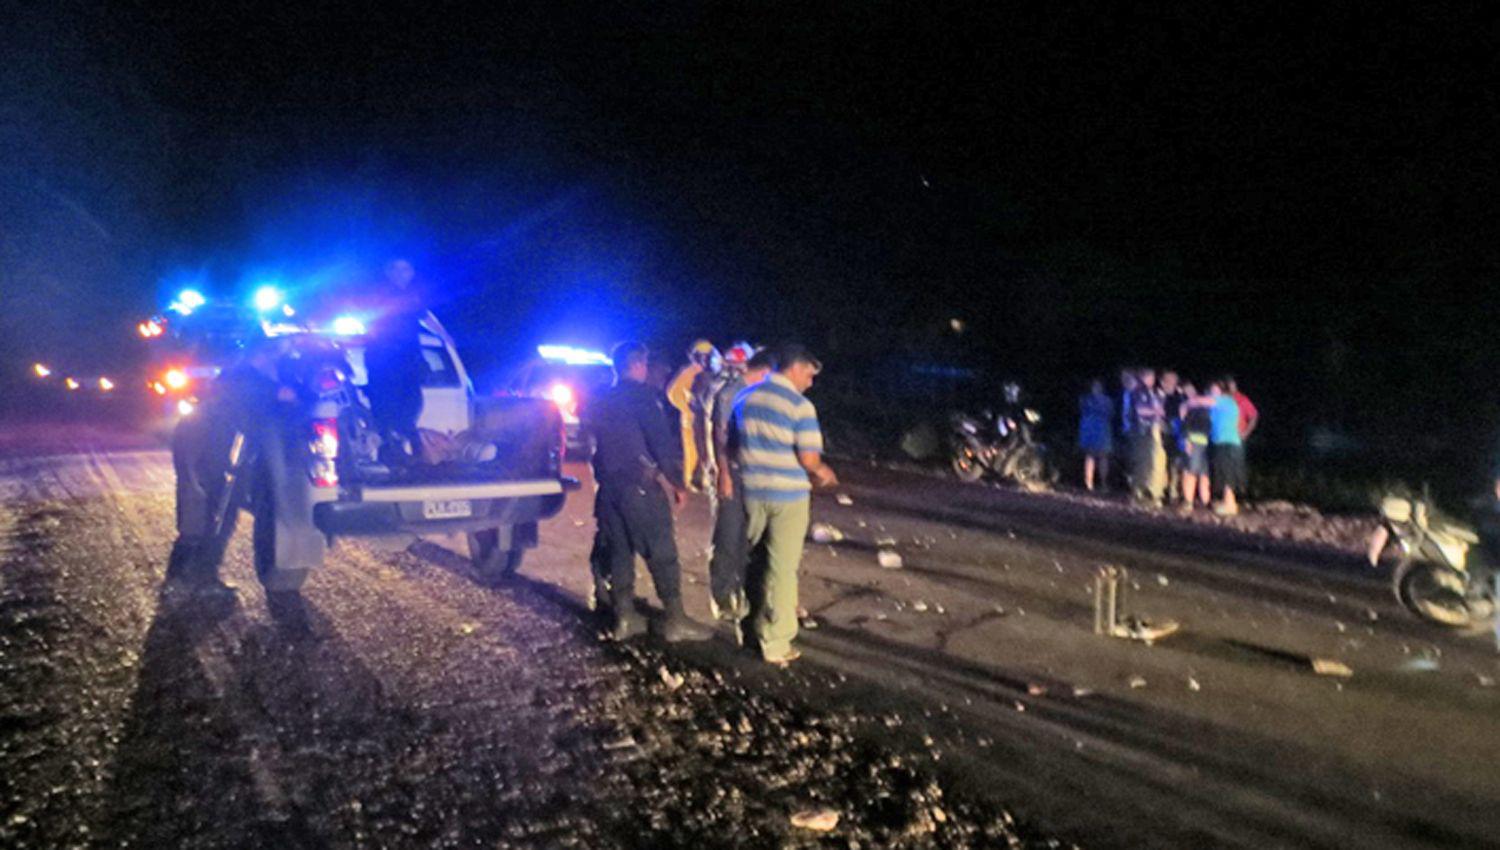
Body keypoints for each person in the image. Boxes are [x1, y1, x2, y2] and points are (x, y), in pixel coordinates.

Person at [582, 342, 711, 642]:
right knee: (661, 551)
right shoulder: (643, 398)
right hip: (638, 488)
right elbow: (662, 447)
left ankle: (625, 618)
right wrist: (678, 484)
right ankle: (675, 619)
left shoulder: (601, 398)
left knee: (620, 553)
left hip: (609, 490)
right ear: (639, 364)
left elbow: (594, 445)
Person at [168, 338, 297, 596]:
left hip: (209, 449)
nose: (276, 365)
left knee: (204, 513)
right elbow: (275, 400)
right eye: (275, 358)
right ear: (262, 357)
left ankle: (178, 579)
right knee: (217, 516)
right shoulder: (251, 381)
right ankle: (200, 580)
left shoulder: (238, 375)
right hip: (217, 453)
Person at [735, 344, 837, 665]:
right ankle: (777, 643)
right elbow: (808, 459)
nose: (811, 381)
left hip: (751, 491)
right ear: (795, 368)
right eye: (809, 374)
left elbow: (729, 445)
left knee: (751, 562)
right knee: (782, 569)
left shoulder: (744, 398)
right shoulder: (800, 406)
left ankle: (747, 630)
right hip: (788, 497)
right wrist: (824, 472)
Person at [707, 344, 773, 629]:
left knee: (751, 538)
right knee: (729, 535)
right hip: (732, 472)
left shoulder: (760, 394)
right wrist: (723, 473)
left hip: (754, 475)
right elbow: (719, 435)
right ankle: (722, 596)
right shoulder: (731, 393)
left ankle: (745, 595)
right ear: (765, 371)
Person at [363, 258, 428, 464]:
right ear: (387, 271)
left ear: (412, 272)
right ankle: (390, 447)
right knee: (386, 406)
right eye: (396, 268)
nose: (401, 273)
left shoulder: (414, 297)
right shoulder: (378, 295)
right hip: (384, 361)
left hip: (408, 361)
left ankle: (403, 442)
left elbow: (426, 317)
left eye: (406, 268)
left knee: (411, 402)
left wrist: (446, 337)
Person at [666, 339, 720, 491]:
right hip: (692, 422)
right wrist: (690, 409)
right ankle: (696, 481)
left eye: (707, 355)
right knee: (694, 452)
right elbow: (674, 394)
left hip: (709, 420)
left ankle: (709, 479)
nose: (704, 359)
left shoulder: (715, 372)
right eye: (701, 355)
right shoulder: (689, 372)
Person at [1125, 368, 1167, 505]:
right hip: (1141, 430)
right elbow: (1140, 410)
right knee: (1142, 461)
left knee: (1149, 462)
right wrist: (1156, 411)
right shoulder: (1139, 391)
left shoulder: (1151, 392)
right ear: (1144, 377)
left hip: (1150, 430)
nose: (1152, 380)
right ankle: (1137, 493)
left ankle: (1145, 492)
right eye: (1150, 377)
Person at [1207, 379, 1246, 516]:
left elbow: (1200, 401)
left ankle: (1230, 504)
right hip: (1221, 442)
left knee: (1227, 472)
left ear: (1221, 391)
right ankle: (1228, 502)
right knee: (1223, 472)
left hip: (1227, 442)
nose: (1212, 393)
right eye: (1211, 390)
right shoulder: (1217, 405)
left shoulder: (1224, 400)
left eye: (1214, 390)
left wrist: (1187, 403)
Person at [1178, 382, 1214, 513]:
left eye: (1191, 389)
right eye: (1186, 390)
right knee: (1191, 471)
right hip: (1193, 439)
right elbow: (1184, 423)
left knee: (1204, 473)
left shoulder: (1202, 403)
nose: (1190, 392)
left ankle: (1206, 501)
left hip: (1205, 441)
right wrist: (1186, 440)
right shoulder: (1185, 405)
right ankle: (1188, 501)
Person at [1078, 378, 1113, 492]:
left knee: (1103, 457)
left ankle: (1103, 483)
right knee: (1090, 456)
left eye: (1098, 386)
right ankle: (1088, 483)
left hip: (1102, 430)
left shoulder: (1107, 401)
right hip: (1089, 430)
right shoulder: (1085, 399)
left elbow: (1110, 413)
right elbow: (1082, 411)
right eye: (1094, 386)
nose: (1096, 388)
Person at [1160, 370, 1187, 501]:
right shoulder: (1158, 395)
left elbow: (1184, 415)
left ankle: (1174, 490)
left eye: (1173, 380)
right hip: (1162, 431)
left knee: (1176, 462)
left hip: (1176, 432)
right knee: (1163, 462)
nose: (1170, 383)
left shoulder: (1180, 397)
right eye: (1168, 380)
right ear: (1162, 382)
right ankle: (1164, 489)